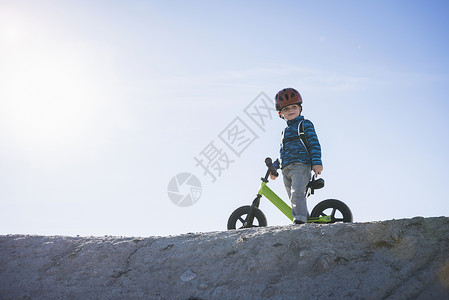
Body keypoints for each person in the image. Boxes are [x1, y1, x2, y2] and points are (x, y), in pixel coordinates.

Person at [271, 88, 323, 224]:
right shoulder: (284, 132)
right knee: (294, 198)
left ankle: (299, 220)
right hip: (286, 170)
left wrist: (317, 162)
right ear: (280, 114)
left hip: (301, 166)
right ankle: (306, 219)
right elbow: (282, 153)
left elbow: (314, 143)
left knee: (297, 194)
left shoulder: (305, 124)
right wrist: (275, 167)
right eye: (286, 109)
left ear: (300, 108)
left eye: (294, 107)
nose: (290, 110)